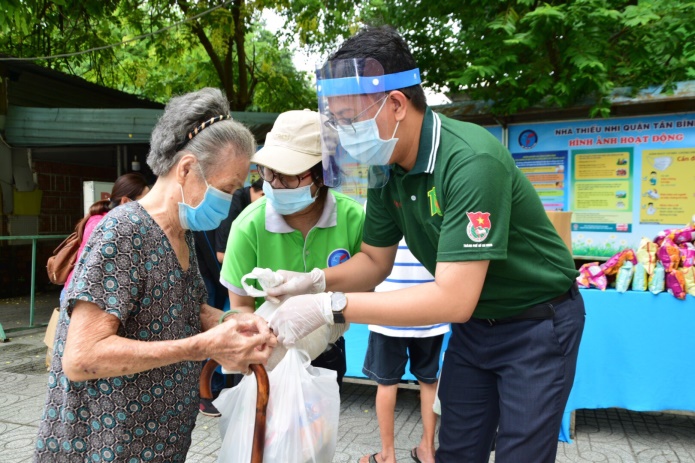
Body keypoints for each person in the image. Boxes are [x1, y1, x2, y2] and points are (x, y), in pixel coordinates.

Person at [266, 26, 585, 463]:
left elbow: (454, 298)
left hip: (536, 323)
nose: (342, 133)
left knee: (520, 454)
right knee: (456, 449)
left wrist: (330, 307)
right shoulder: (387, 166)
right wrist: (314, 281)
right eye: (335, 121)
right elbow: (375, 261)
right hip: (476, 329)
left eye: (348, 119)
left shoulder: (470, 162)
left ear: (396, 104)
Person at [34, 87, 276, 462]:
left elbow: (184, 309)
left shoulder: (182, 231)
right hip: (102, 447)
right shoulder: (124, 232)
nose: (229, 202)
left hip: (157, 445)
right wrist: (204, 346)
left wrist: (233, 321)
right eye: (228, 188)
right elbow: (81, 357)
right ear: (187, 169)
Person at [220, 109, 365, 391]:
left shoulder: (353, 218)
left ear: (323, 175)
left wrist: (325, 319)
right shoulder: (248, 225)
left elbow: (366, 286)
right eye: (268, 172)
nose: (273, 184)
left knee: (320, 435)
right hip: (264, 358)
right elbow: (240, 307)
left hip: (329, 353)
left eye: (287, 176)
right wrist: (265, 343)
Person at [363, 238, 448, 463]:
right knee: (429, 380)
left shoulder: (376, 205)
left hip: (388, 305)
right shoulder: (437, 203)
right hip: (430, 304)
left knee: (386, 382)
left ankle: (387, 456)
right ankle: (428, 451)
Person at [195, 178, 264, 417]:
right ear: (256, 190)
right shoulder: (237, 204)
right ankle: (207, 392)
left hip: (220, 277)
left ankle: (220, 387)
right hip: (211, 277)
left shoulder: (245, 203)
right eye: (264, 197)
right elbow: (222, 255)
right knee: (217, 328)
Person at [60, 172, 150, 306]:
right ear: (125, 201)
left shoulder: (116, 222)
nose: (149, 207)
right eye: (145, 201)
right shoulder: (104, 225)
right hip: (81, 299)